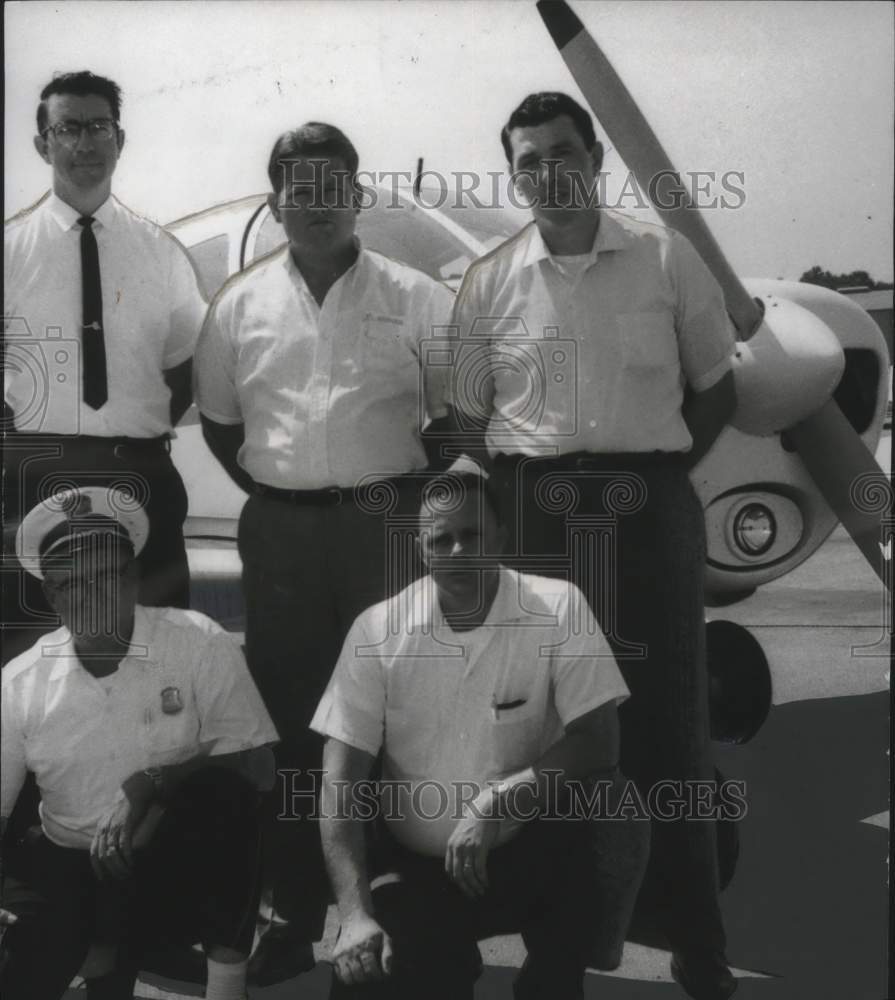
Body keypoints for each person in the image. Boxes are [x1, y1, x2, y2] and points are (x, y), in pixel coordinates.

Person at [447, 93, 739, 999]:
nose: (548, 174)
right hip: (531, 512)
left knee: (668, 728)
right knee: (541, 726)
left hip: (645, 510)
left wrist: (647, 476)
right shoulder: (489, 278)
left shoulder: (665, 258)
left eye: (562, 153)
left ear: (595, 155)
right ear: (513, 173)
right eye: (528, 162)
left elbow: (713, 389)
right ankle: (556, 941)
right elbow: (464, 416)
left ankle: (695, 937)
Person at [194, 122, 455, 982]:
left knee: (396, 711)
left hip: (388, 527)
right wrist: (294, 491)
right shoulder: (237, 305)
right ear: (276, 203)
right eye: (296, 188)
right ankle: (289, 907)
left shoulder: (418, 297)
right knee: (294, 719)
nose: (314, 203)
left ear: (357, 194)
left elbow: (457, 418)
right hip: (282, 535)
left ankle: (396, 903)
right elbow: (227, 428)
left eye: (330, 184)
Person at [313, 459, 650, 999]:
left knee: (612, 804)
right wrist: (354, 915)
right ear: (420, 549)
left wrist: (496, 804)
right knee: (367, 976)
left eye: (471, 535)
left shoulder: (558, 607)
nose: (457, 553)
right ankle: (445, 959)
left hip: (528, 847)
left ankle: (558, 970)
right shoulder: (377, 630)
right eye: (440, 540)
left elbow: (598, 739)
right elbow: (340, 781)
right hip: (420, 867)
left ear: (501, 536)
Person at [0, 485, 279, 1000]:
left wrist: (155, 782)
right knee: (16, 967)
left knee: (228, 798)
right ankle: (101, 954)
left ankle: (225, 987)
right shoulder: (20, 681)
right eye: (71, 584)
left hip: (165, 862)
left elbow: (258, 764)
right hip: (70, 865)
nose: (90, 596)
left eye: (106, 575)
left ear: (134, 578)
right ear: (51, 595)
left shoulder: (197, 641)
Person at [3, 70, 206, 663]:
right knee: (28, 656)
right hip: (34, 476)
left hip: (137, 473)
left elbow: (182, 369)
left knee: (160, 648)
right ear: (43, 144)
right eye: (68, 128)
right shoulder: (10, 252)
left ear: (121, 139)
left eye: (99, 127)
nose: (85, 143)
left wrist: (128, 432)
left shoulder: (161, 252)